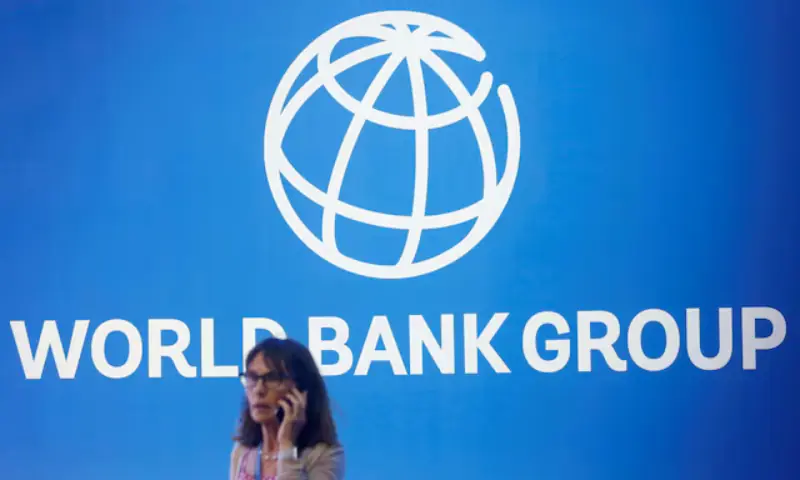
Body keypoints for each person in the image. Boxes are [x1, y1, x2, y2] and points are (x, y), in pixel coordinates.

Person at [231, 337, 345, 480]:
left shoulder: (324, 455)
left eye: (272, 378)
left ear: (300, 391)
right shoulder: (242, 452)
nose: (259, 390)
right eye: (252, 378)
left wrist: (287, 446)